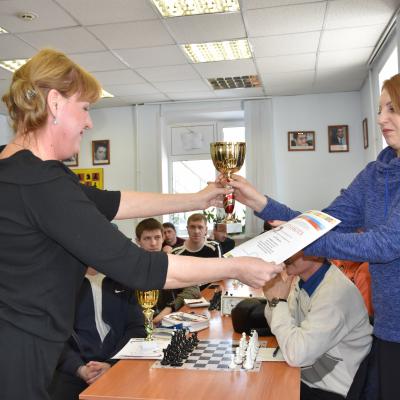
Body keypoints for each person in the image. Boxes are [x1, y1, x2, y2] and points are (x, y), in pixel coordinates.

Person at [0, 48, 282, 400]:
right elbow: (139, 267)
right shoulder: (42, 183)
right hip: (18, 352)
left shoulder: (21, 172)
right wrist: (237, 266)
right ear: (55, 103)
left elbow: (113, 202)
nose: (89, 123)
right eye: (85, 108)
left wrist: (196, 199)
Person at [226, 73, 400, 400]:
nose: (380, 119)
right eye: (379, 109)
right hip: (389, 327)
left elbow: (386, 243)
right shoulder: (374, 175)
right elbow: (323, 224)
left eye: (392, 109)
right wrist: (260, 203)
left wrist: (306, 241)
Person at [264, 251, 372, 399]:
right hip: (309, 379)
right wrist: (274, 301)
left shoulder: (334, 294)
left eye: (295, 248)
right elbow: (283, 330)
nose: (286, 254)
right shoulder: (303, 282)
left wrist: (278, 302)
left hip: (335, 391)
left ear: (316, 251)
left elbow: (296, 354)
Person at [48, 267, 145, 400]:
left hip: (119, 365)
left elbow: (137, 328)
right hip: (72, 371)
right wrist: (80, 369)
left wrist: (112, 363)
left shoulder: (122, 280)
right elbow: (52, 336)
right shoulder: (61, 283)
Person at [135, 218, 200, 325]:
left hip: (173, 319)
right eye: (147, 238)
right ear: (138, 241)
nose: (153, 243)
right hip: (142, 325)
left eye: (157, 237)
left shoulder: (172, 262)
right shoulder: (132, 268)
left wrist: (170, 307)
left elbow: (194, 289)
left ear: (163, 238)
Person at [173, 213, 222, 289]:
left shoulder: (214, 247)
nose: (196, 231)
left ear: (206, 230)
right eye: (192, 227)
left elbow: (219, 276)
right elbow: (175, 281)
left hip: (209, 292)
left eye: (200, 227)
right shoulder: (176, 253)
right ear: (187, 229)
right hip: (186, 293)